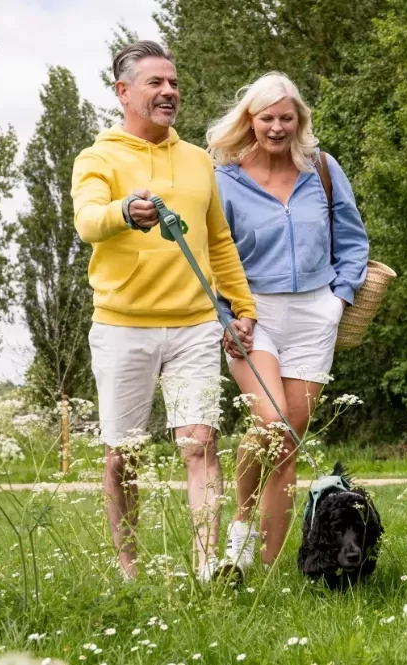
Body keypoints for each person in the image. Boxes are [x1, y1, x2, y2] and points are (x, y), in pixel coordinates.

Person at [70, 40, 257, 582]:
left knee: (199, 443)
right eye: (155, 83)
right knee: (122, 456)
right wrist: (126, 211)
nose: (169, 91)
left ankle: (206, 569)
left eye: (173, 82)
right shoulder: (98, 158)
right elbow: (87, 222)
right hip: (122, 327)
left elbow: (218, 242)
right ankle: (130, 571)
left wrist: (239, 306)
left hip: (195, 324)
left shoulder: (199, 160)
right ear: (123, 92)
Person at [206, 72, 370, 575]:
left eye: (286, 117)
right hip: (254, 314)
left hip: (315, 312)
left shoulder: (320, 167)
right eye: (266, 118)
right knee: (270, 424)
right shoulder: (224, 178)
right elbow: (212, 254)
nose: (276, 128)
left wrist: (338, 300)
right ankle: (239, 531)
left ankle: (271, 573)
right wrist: (228, 315)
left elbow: (353, 238)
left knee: (288, 445)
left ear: (298, 120)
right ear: (248, 120)